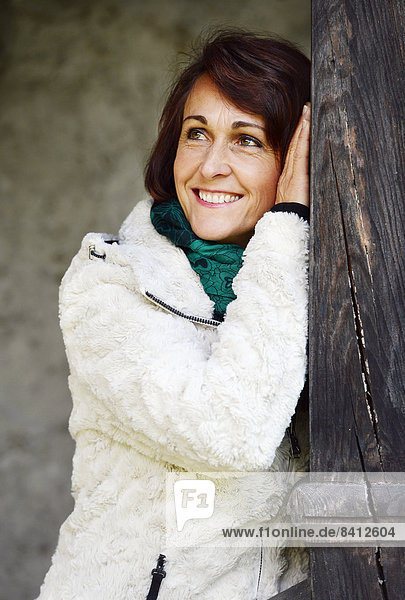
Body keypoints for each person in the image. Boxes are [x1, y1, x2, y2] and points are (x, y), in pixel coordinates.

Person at [36, 30, 311, 600]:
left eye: (248, 140)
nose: (212, 165)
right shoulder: (111, 281)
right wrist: (287, 225)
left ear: (297, 162)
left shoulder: (314, 298)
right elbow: (229, 434)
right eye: (197, 134)